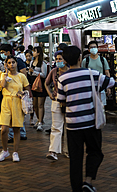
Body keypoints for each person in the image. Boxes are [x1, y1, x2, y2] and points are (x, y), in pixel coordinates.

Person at [57, 45, 116, 192]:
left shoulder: (62, 78)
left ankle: (77, 189)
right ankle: (88, 182)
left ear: (65, 61)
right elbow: (111, 82)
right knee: (95, 152)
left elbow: (61, 101)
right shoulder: (92, 74)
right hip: (91, 123)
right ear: (80, 58)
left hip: (72, 125)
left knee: (75, 159)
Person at [0, 55, 30, 162]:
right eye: (9, 63)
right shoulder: (3, 75)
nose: (11, 64)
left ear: (16, 63)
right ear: (6, 64)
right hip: (6, 102)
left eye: (13, 62)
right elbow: (2, 85)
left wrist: (24, 93)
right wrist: (5, 75)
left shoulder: (21, 76)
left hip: (17, 102)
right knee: (4, 129)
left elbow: (27, 89)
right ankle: (5, 150)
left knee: (16, 129)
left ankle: (15, 152)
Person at [0, 43, 27, 141]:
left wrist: (23, 89)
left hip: (18, 94)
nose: (11, 64)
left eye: (3, 52)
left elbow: (24, 74)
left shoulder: (18, 61)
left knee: (20, 115)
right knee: (11, 117)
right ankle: (12, 135)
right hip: (8, 95)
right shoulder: (5, 63)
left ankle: (21, 133)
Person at [45, 51, 69, 161]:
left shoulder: (70, 72)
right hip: (56, 101)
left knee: (69, 127)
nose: (58, 61)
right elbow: (46, 83)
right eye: (57, 59)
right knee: (56, 126)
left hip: (69, 102)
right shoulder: (54, 71)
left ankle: (68, 150)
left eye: (61, 59)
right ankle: (53, 150)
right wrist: (50, 94)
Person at [81, 40, 111, 106]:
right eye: (91, 47)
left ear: (97, 49)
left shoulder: (103, 60)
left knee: (102, 107)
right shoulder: (85, 61)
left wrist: (108, 86)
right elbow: (83, 74)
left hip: (101, 87)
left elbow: (107, 73)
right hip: (90, 87)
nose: (93, 49)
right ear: (88, 50)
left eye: (94, 47)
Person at [31, 46, 48, 131]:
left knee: (40, 104)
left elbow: (44, 74)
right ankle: (38, 119)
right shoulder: (32, 62)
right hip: (33, 86)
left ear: (38, 53)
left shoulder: (42, 63)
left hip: (41, 85)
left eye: (34, 51)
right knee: (35, 105)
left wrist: (34, 72)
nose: (33, 53)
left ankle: (40, 122)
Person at [25, 49, 35, 125]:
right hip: (26, 84)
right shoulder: (23, 64)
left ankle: (32, 118)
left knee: (33, 103)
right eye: (27, 56)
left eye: (29, 56)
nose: (28, 57)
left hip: (33, 83)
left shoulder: (33, 64)